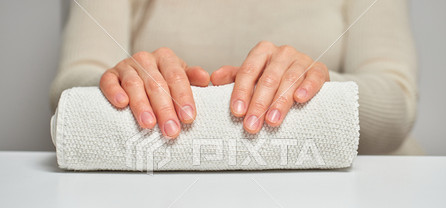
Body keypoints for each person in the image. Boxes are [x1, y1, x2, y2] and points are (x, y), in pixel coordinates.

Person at [51, 0, 420, 154]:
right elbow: (69, 90)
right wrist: (119, 82)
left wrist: (314, 86)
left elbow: (396, 102)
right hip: (158, 191)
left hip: (356, 197)